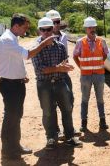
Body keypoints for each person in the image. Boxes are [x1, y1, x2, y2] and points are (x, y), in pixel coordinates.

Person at [0, 14, 55, 159]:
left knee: (16, 117)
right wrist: (44, 43)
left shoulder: (12, 38)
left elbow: (15, 59)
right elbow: (28, 55)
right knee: (11, 118)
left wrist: (21, 74)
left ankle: (15, 146)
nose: (26, 31)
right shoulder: (7, 40)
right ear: (16, 26)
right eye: (24, 28)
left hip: (16, 83)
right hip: (10, 85)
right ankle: (8, 151)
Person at [32, 17, 82, 149]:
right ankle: (51, 138)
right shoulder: (35, 48)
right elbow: (39, 70)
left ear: (53, 29)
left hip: (60, 82)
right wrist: (58, 68)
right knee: (48, 112)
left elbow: (63, 64)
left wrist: (61, 67)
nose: (47, 32)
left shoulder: (60, 47)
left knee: (67, 109)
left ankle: (69, 136)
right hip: (44, 84)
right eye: (44, 30)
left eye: (49, 29)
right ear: (39, 31)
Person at [73, 17, 109, 132]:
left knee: (100, 99)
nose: (92, 29)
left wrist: (99, 63)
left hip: (99, 74)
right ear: (86, 29)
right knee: (85, 99)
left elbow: (105, 54)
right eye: (89, 27)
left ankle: (102, 122)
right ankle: (84, 123)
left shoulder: (101, 41)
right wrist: (81, 67)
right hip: (86, 75)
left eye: (93, 27)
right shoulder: (80, 42)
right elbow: (75, 55)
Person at [46, 9, 77, 139]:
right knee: (51, 106)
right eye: (53, 22)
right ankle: (55, 131)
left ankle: (68, 130)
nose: (55, 25)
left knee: (69, 102)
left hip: (64, 75)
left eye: (57, 21)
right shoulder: (42, 40)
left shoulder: (64, 37)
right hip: (49, 77)